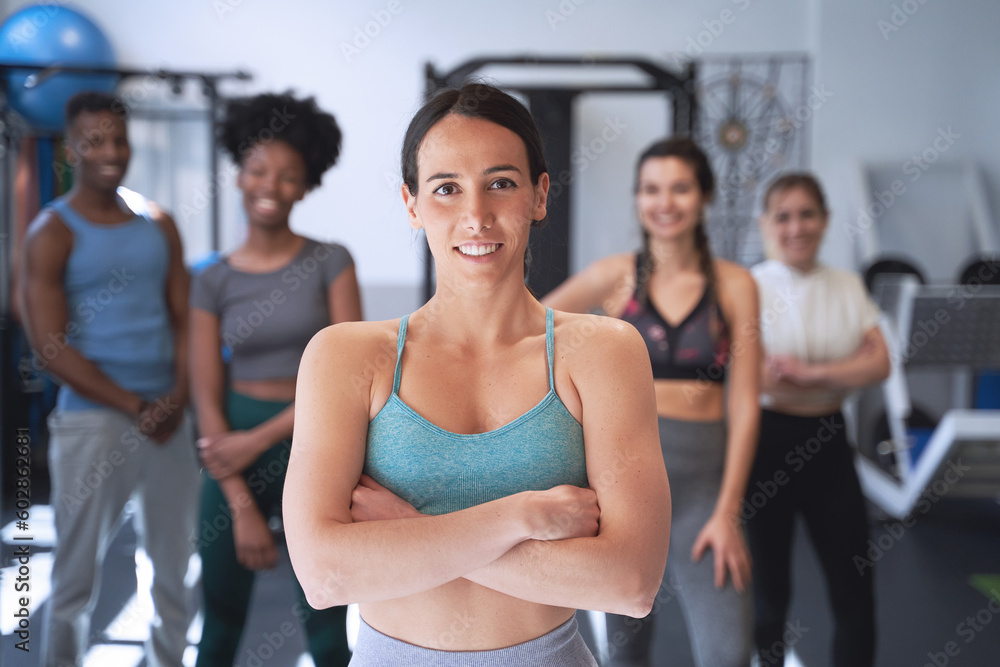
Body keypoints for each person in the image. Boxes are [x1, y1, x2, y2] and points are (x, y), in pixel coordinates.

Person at [282, 83, 671, 666]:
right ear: (412, 204)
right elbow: (325, 576)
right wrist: (522, 517)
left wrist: (409, 532)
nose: (476, 215)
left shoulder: (600, 352)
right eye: (446, 189)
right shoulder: (346, 357)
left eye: (501, 183)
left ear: (540, 194)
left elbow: (630, 583)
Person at [544, 137, 760, 666]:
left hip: (701, 496)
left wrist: (728, 513)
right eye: (651, 189)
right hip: (621, 487)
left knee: (728, 651)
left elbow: (747, 404)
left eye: (680, 188)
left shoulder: (734, 285)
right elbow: (528, 330)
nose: (664, 202)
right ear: (638, 198)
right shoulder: (613, 275)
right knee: (625, 650)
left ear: (704, 195)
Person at [19, 91, 199, 667]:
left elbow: (184, 320)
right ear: (70, 149)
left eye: (118, 139)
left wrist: (175, 398)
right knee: (74, 579)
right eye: (94, 140)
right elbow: (49, 349)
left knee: (172, 572)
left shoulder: (158, 222)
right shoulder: (51, 232)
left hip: (169, 416)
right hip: (93, 417)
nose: (110, 151)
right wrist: (133, 404)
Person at [188, 92, 360, 665]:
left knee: (328, 631)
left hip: (316, 445)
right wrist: (239, 503)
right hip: (230, 449)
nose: (270, 186)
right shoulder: (211, 279)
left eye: (289, 176)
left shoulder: (332, 261)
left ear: (306, 186)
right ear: (238, 175)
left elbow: (349, 375)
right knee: (218, 629)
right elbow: (206, 394)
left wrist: (258, 440)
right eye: (258, 170)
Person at [746, 173, 889, 666]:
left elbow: (881, 363)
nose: (796, 227)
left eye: (807, 214)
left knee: (854, 587)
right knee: (769, 592)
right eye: (783, 216)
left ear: (824, 221)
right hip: (765, 444)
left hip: (829, 441)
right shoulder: (749, 286)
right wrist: (843, 371)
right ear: (765, 224)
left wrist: (810, 372)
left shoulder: (847, 286)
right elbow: (759, 379)